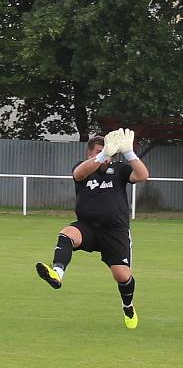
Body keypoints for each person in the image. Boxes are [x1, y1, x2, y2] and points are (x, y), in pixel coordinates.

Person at [35, 128, 149, 328]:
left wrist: (129, 152)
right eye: (101, 152)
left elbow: (142, 176)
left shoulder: (120, 169)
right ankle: (57, 274)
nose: (106, 158)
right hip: (87, 227)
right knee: (67, 233)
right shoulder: (84, 168)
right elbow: (78, 174)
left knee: (121, 275)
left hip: (115, 231)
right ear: (90, 154)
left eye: (109, 153)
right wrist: (101, 155)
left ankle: (128, 306)